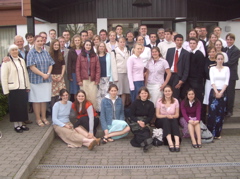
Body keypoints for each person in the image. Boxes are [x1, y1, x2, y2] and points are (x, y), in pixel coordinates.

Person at [1, 44, 30, 133]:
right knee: (15, 108)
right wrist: (5, 90)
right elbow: (3, 77)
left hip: (22, 87)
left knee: (22, 107)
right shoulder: (6, 62)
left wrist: (27, 86)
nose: (14, 51)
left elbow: (25, 73)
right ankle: (16, 126)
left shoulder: (21, 60)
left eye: (16, 50)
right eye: (12, 50)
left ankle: (21, 124)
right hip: (13, 88)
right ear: (10, 52)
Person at [27, 35, 55, 127]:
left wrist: (48, 73)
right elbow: (32, 67)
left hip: (46, 80)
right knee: (36, 100)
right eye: (38, 41)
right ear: (34, 42)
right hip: (36, 81)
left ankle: (44, 117)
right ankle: (38, 118)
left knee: (44, 100)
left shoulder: (45, 52)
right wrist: (42, 75)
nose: (40, 42)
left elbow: (51, 64)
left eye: (41, 41)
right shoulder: (31, 53)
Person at [208, 53, 230, 139]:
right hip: (214, 91)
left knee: (220, 114)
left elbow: (226, 82)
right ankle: (210, 133)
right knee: (212, 113)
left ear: (223, 60)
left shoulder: (227, 69)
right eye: (218, 59)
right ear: (216, 60)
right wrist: (216, 91)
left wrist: (221, 92)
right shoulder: (212, 69)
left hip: (223, 92)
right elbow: (212, 81)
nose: (220, 60)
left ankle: (217, 133)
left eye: (221, 59)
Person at [76, 40, 100, 109]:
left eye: (89, 45)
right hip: (83, 80)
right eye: (87, 45)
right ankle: (84, 112)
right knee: (84, 97)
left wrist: (97, 79)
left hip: (92, 79)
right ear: (84, 46)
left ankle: (93, 112)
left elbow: (98, 68)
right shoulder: (80, 56)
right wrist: (79, 80)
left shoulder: (95, 56)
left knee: (93, 97)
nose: (88, 46)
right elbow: (77, 68)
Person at [155, 85, 180, 152]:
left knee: (174, 120)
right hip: (161, 120)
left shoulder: (175, 101)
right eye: (166, 91)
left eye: (169, 91)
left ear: (172, 92)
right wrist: (166, 116)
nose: (167, 92)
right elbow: (157, 115)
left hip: (172, 119)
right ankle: (170, 143)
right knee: (166, 120)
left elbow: (177, 115)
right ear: (163, 92)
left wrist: (172, 116)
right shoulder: (159, 101)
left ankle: (177, 143)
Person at [129, 87, 155, 152]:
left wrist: (144, 122)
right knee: (139, 133)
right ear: (139, 94)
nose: (144, 95)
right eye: (142, 93)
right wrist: (138, 121)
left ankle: (144, 144)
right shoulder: (135, 103)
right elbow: (131, 115)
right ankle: (145, 144)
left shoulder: (151, 104)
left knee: (145, 132)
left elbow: (150, 116)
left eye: (145, 93)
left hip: (145, 121)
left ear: (148, 94)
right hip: (135, 121)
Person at [165, 34, 190, 100]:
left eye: (181, 40)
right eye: (177, 40)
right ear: (174, 41)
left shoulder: (186, 53)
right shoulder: (170, 51)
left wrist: (182, 80)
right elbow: (166, 64)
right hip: (169, 74)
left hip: (178, 76)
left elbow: (186, 68)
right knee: (167, 93)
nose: (179, 42)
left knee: (175, 95)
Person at [111, 37, 130, 105]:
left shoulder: (127, 51)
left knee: (124, 91)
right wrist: (115, 77)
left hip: (126, 74)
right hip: (118, 74)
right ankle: (116, 106)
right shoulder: (114, 51)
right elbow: (113, 65)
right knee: (118, 92)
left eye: (123, 42)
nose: (122, 43)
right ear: (118, 43)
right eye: (121, 42)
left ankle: (122, 107)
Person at [225, 33, 240, 117]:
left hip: (231, 75)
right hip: (224, 74)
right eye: (227, 39)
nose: (229, 41)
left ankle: (230, 110)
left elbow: (231, 62)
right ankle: (225, 109)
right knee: (225, 93)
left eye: (231, 39)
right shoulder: (225, 49)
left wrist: (221, 64)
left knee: (230, 93)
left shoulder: (236, 50)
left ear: (233, 40)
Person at [49, 39, 66, 107]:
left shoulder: (61, 54)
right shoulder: (48, 54)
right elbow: (47, 67)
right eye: (55, 45)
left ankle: (61, 110)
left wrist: (61, 76)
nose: (56, 46)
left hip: (60, 77)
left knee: (61, 94)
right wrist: (51, 76)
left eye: (57, 45)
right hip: (52, 77)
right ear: (52, 45)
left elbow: (63, 66)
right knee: (53, 96)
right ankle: (53, 111)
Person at [96, 42, 112, 111]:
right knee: (99, 95)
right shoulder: (96, 56)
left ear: (105, 48)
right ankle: (100, 110)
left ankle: (107, 110)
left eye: (103, 46)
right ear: (98, 47)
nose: (101, 47)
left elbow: (111, 67)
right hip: (98, 78)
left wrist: (111, 78)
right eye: (100, 46)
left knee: (106, 95)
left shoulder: (109, 55)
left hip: (106, 78)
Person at [67, 34, 81, 101]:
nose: (77, 42)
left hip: (82, 73)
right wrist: (69, 76)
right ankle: (76, 105)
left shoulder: (83, 50)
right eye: (76, 40)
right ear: (73, 41)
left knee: (81, 90)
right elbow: (69, 64)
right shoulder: (71, 51)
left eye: (78, 40)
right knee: (75, 91)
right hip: (74, 73)